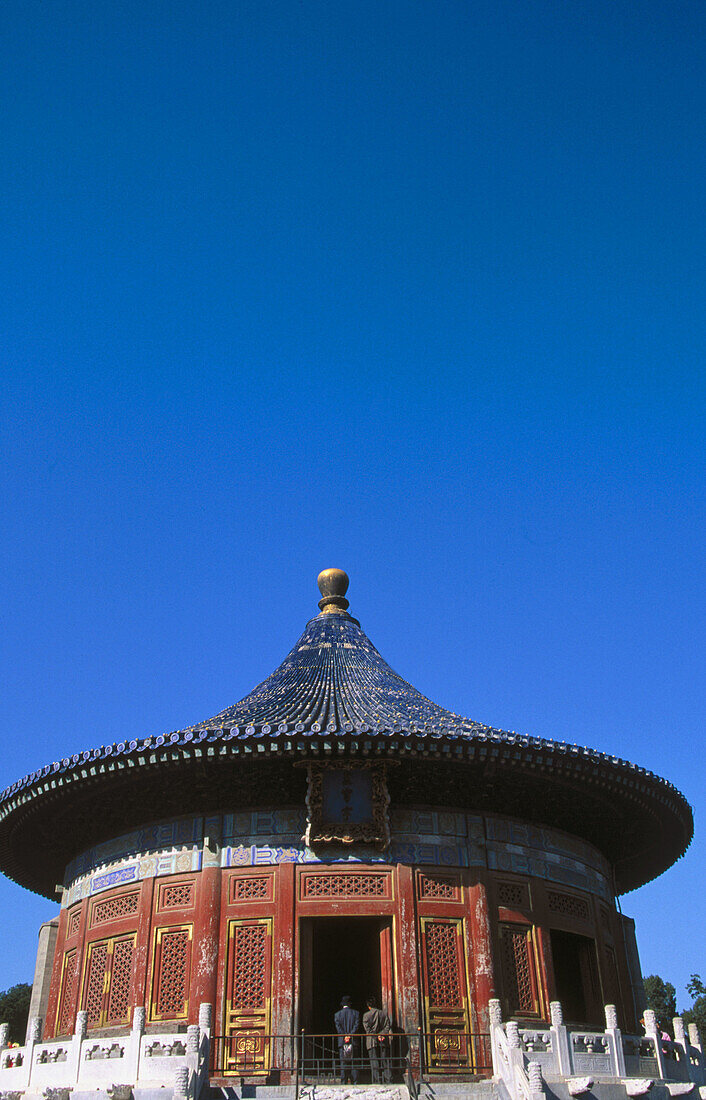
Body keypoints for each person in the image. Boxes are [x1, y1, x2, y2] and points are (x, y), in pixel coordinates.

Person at [363, 997, 392, 1083]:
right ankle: (388, 1079)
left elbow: (367, 1029)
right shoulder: (383, 1013)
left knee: (374, 1061)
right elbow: (387, 1025)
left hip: (371, 1041)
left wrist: (375, 1036)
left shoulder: (366, 1015)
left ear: (368, 1006)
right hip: (382, 1039)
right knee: (385, 1060)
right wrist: (381, 1034)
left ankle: (376, 1080)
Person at [334, 995, 360, 1084]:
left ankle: (343, 1081)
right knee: (354, 1063)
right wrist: (350, 1035)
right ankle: (355, 1081)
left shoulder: (337, 1015)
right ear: (349, 1004)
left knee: (343, 1063)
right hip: (353, 1041)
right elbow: (356, 1026)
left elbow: (338, 1028)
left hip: (342, 1041)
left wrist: (345, 1036)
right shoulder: (356, 1013)